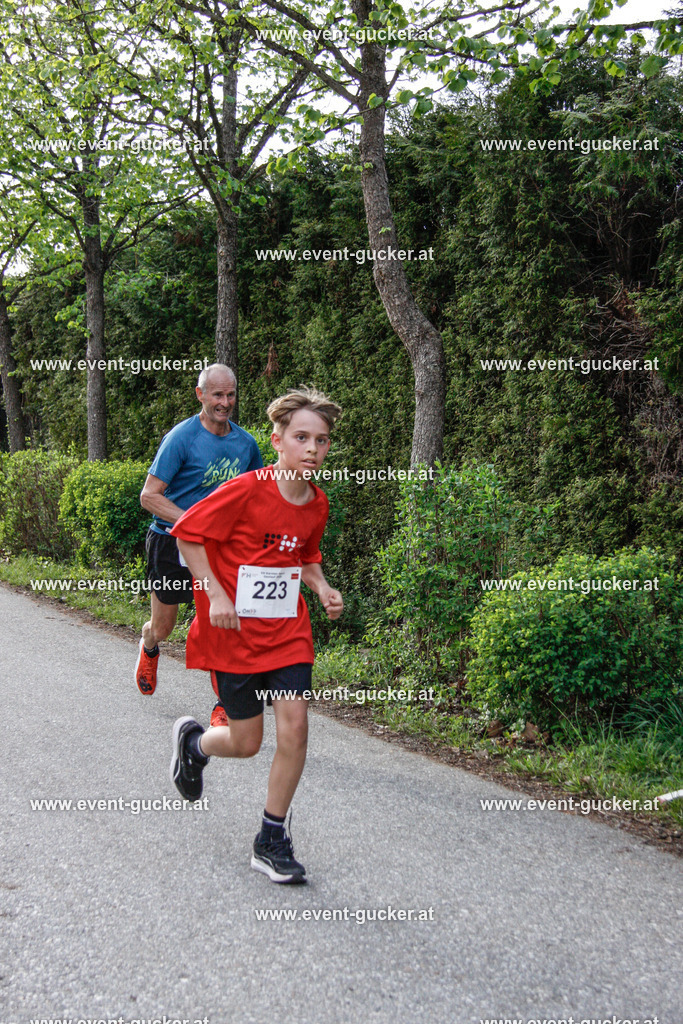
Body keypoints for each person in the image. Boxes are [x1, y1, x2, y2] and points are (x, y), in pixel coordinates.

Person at [168, 386, 343, 883]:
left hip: (288, 633)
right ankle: (196, 745)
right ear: (278, 440)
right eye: (302, 437)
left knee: (295, 729)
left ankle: (271, 839)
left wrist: (323, 587)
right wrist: (218, 595)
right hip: (234, 634)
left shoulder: (316, 504)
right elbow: (187, 533)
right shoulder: (247, 489)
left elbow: (305, 556)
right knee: (246, 742)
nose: (313, 448)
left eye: (322, 440)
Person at [135, 363, 263, 730]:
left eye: (231, 395)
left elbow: (254, 497)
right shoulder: (182, 438)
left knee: (223, 624)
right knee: (164, 626)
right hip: (170, 541)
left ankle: (224, 705)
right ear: (200, 395)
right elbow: (149, 496)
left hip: (218, 550)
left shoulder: (245, 444)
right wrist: (194, 521)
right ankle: (149, 643)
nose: (225, 402)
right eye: (217, 395)